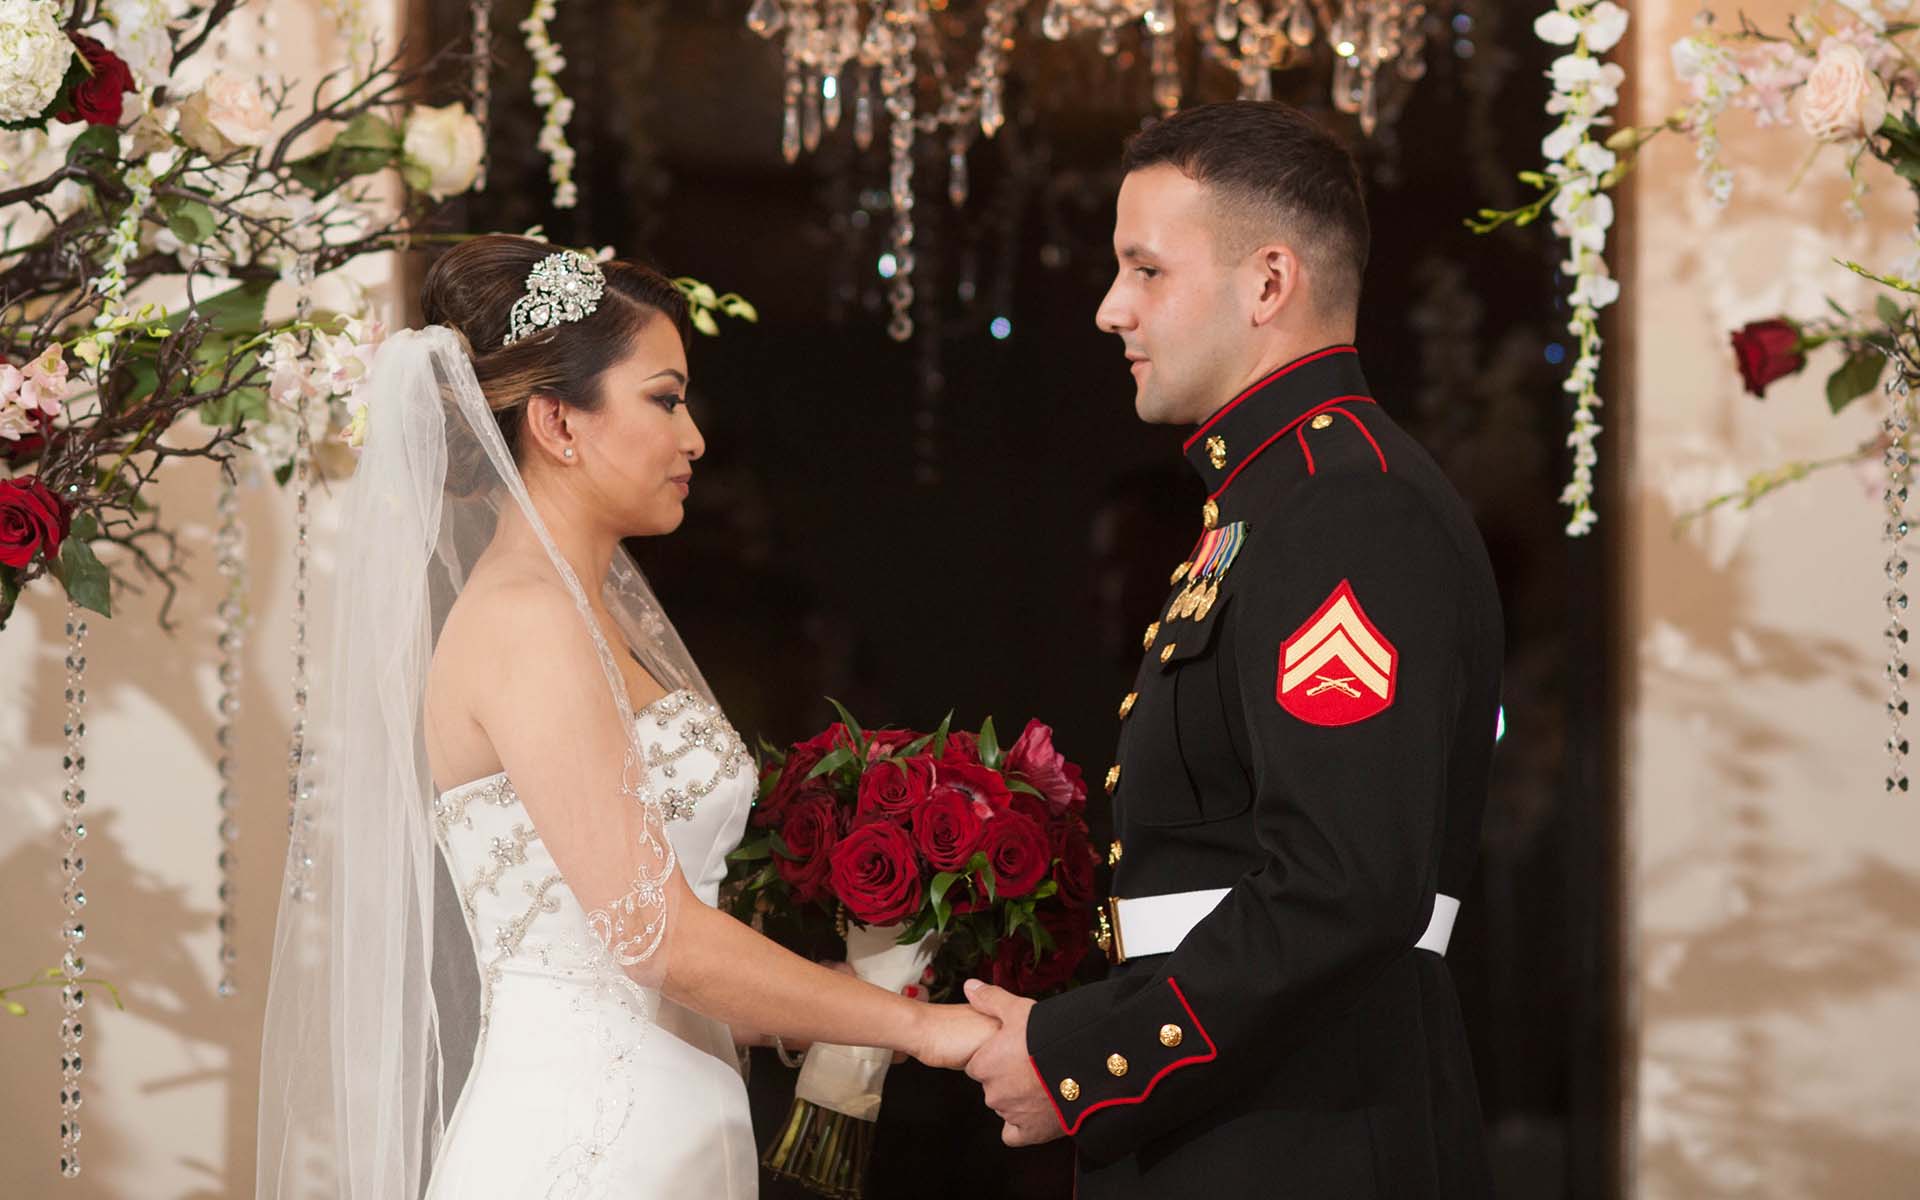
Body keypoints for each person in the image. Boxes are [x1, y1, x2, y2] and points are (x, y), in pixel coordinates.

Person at [254, 234, 997, 1199]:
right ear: (559, 422)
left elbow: (636, 951)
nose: (694, 439)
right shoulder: (526, 619)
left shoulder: (589, 613)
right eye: (665, 399)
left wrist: (842, 998)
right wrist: (922, 1028)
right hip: (586, 1148)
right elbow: (657, 939)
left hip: (676, 1132)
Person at [961, 101, 1504, 1197]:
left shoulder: (1344, 504)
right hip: (1253, 1109)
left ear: (1268, 283)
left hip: (1302, 1129)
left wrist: (1089, 1063)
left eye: (1146, 270)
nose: (1112, 308)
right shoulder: (1272, 499)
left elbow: (1343, 883)